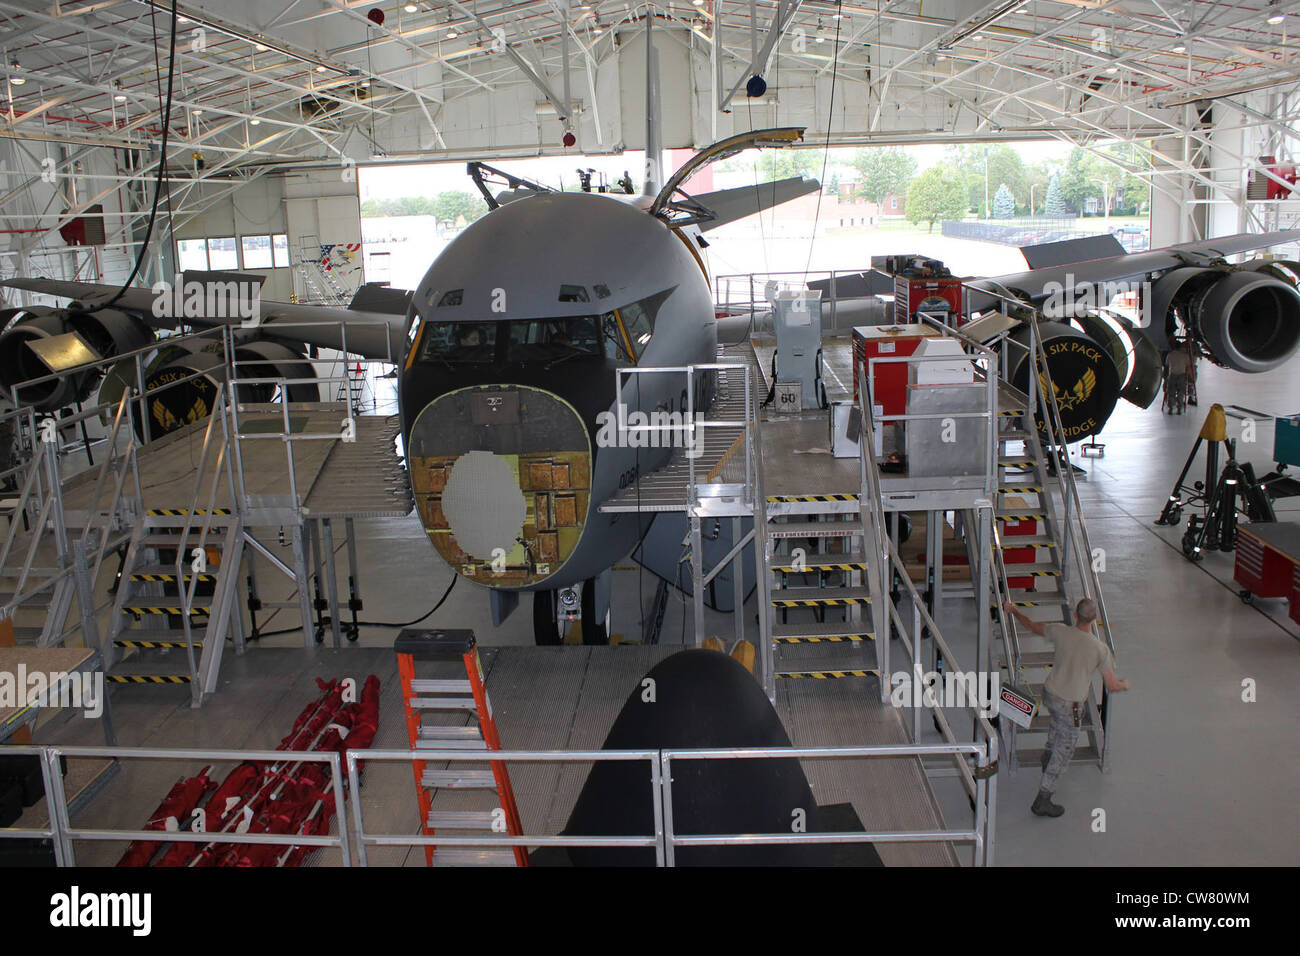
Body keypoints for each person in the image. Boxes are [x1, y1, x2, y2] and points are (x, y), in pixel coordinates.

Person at [1003, 597, 1130, 817]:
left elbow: (1032, 626)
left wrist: (1014, 610)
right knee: (1066, 750)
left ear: (1075, 615)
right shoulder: (1100, 649)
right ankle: (1043, 798)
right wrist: (1124, 684)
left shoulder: (1060, 631)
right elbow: (1111, 684)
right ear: (1095, 619)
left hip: (1050, 694)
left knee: (1056, 722)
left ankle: (1047, 754)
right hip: (1070, 703)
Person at [1164, 343, 1192, 415]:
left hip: (1172, 374)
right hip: (1181, 375)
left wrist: (1165, 378)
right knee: (1181, 392)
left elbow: (1167, 365)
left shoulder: (1170, 355)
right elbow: (1188, 367)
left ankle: (1170, 408)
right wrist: (1188, 376)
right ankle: (1179, 408)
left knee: (1171, 392)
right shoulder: (1185, 355)